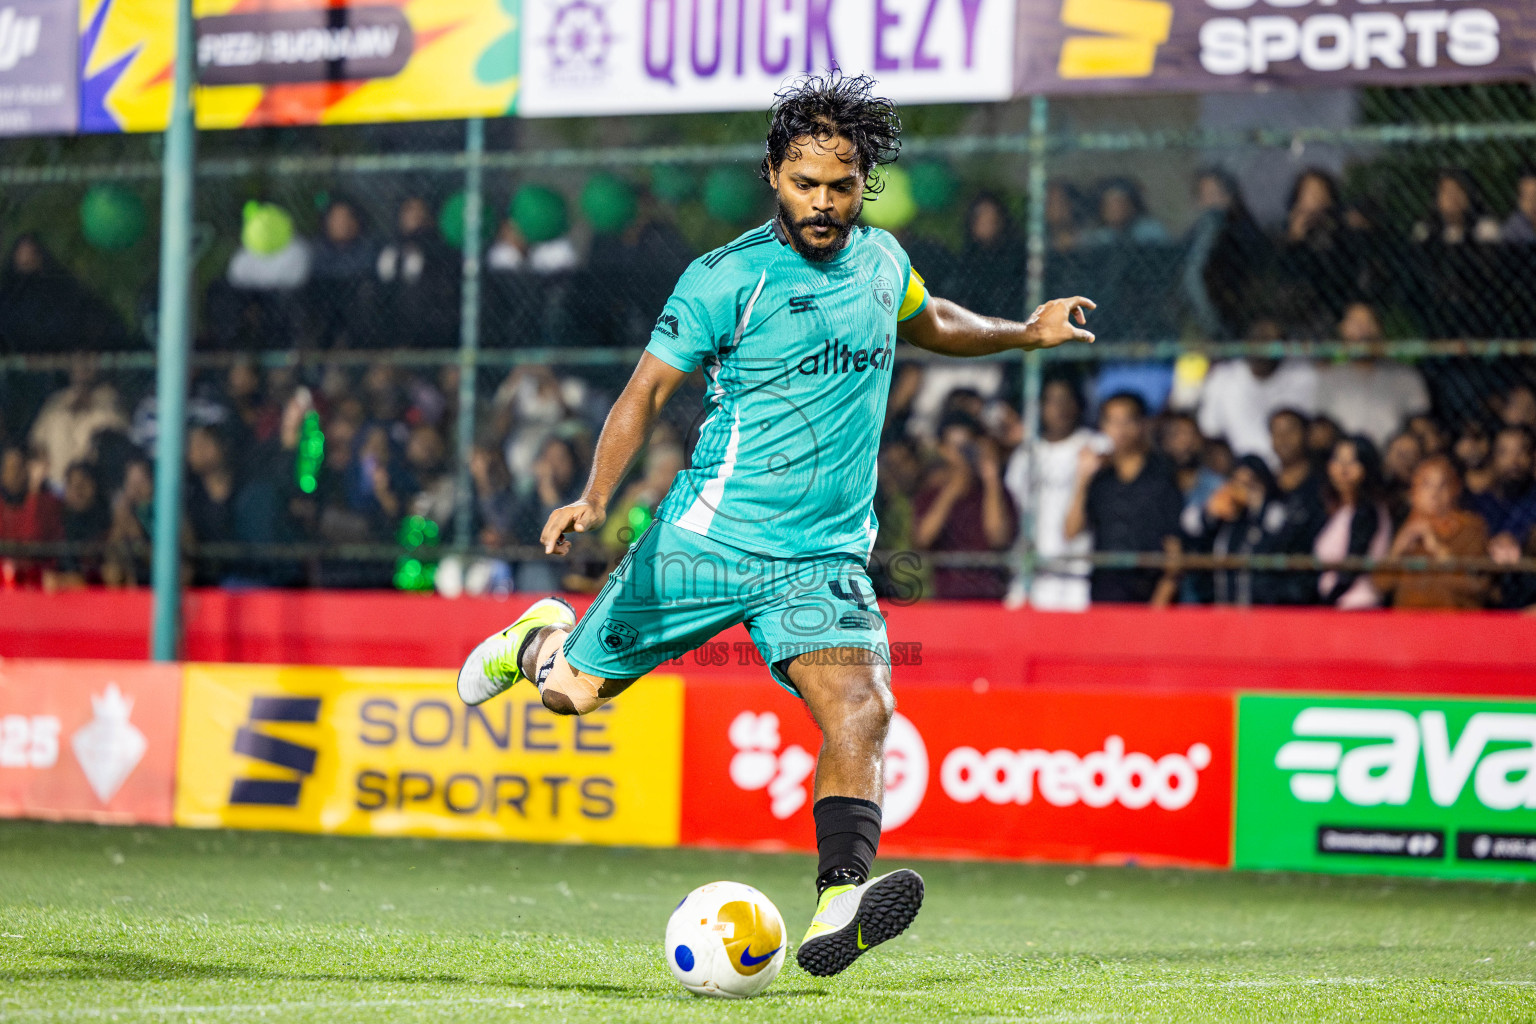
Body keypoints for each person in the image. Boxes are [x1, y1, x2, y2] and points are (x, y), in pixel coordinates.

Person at [452, 72, 1096, 978]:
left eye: (841, 185)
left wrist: (1023, 333)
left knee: (864, 708)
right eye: (806, 184)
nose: (824, 203)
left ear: (862, 182)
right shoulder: (727, 278)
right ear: (772, 176)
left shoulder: (881, 260)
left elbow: (931, 319)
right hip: (706, 541)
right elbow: (646, 391)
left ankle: (840, 904)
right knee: (571, 698)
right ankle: (540, 640)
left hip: (822, 556)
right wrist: (596, 497)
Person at [1064, 392, 1183, 605]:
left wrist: (1160, 602)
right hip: (1105, 592)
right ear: (1103, 427)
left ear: (1141, 425)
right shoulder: (1100, 480)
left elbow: (1174, 546)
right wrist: (1082, 479)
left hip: (1149, 594)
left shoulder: (1161, 476)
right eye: (1113, 421)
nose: (1120, 430)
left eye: (1127, 421)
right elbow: (1071, 531)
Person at [1004, 377, 1097, 610]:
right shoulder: (1025, 454)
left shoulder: (1093, 445)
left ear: (1078, 405)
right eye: (1052, 401)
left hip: (1075, 574)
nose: (1060, 408)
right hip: (1029, 572)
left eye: (1066, 400)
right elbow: (1014, 508)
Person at [913, 411, 1018, 600]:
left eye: (968, 446)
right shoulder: (930, 495)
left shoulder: (997, 492)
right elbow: (922, 539)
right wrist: (950, 492)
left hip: (990, 600)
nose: (963, 455)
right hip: (946, 600)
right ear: (943, 449)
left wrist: (991, 481)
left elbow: (998, 539)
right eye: (956, 448)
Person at [1374, 456, 1488, 610]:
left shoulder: (1471, 527)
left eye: (1442, 486)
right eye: (1426, 485)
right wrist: (1397, 550)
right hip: (1408, 622)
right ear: (1414, 492)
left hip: (1455, 621)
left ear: (1454, 490)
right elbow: (1381, 585)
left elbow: (1476, 585)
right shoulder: (1405, 526)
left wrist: (1436, 546)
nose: (1434, 493)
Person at [1196, 323, 1319, 466]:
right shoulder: (1223, 378)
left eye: (1270, 343)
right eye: (1258, 341)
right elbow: (1209, 431)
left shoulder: (1303, 375)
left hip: (1294, 467)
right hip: (1242, 469)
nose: (1263, 349)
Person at [1314, 303, 1430, 447]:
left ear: (1379, 329)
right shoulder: (1329, 377)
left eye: (1368, 322)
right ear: (1342, 329)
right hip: (1343, 459)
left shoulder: (1405, 376)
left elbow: (1421, 424)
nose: (1362, 331)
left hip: (1391, 458)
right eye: (1355, 323)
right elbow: (1319, 426)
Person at [1314, 435, 1391, 609]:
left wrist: (1325, 605)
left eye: (1352, 462)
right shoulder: (1338, 510)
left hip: (1358, 606)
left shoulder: (1367, 511)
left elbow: (1352, 567)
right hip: (1340, 605)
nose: (1343, 470)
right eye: (1338, 460)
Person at [0, 443, 62, 587]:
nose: (14, 475)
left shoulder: (48, 502)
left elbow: (31, 542)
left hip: (38, 584)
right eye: (9, 469)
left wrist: (33, 493)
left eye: (19, 468)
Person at [1468, 426, 1536, 544]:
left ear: (1532, 457)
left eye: (1521, 451)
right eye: (1504, 453)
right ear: (1493, 458)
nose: (1514, 460)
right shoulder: (1480, 503)